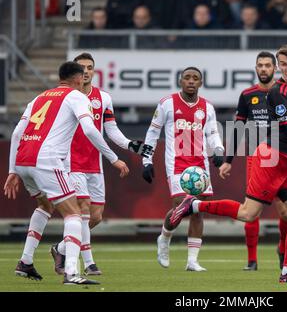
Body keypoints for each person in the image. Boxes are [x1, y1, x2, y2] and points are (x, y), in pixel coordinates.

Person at [167, 44, 287, 283]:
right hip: (270, 158)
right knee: (248, 213)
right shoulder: (277, 92)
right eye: (283, 64)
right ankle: (193, 206)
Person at [4, 62, 129, 285]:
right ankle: (72, 273)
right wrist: (113, 158)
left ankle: (25, 261)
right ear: (79, 78)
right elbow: (90, 129)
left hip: (24, 159)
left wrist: (13, 170)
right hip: (47, 160)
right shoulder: (77, 96)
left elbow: (16, 134)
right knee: (74, 213)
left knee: (44, 206)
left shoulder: (40, 97)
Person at [50, 53, 152, 276]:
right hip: (71, 161)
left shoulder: (103, 98)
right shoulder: (68, 97)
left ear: (94, 71)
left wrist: (130, 145)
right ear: (75, 72)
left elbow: (111, 130)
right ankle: (88, 262)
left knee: (96, 216)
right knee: (83, 210)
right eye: (82, 67)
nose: (86, 71)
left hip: (94, 163)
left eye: (90, 67)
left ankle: (61, 247)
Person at [142, 67, 224, 272]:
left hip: (200, 165)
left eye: (195, 78)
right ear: (180, 81)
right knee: (183, 204)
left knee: (198, 211)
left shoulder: (207, 107)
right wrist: (146, 160)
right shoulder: (167, 104)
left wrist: (219, 150)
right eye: (187, 77)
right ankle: (164, 237)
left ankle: (192, 261)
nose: (191, 81)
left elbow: (213, 133)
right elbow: (153, 132)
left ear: (200, 83)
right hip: (176, 164)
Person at [219, 51, 287, 271]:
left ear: (275, 68)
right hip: (256, 156)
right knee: (252, 210)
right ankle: (252, 260)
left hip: (281, 155)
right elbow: (238, 127)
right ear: (256, 68)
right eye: (260, 65)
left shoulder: (284, 92)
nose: (263, 69)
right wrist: (228, 160)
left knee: (286, 212)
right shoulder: (247, 95)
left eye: (268, 65)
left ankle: (281, 247)